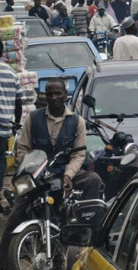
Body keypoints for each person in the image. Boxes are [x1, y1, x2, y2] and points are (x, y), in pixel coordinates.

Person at [0, 79, 103, 259]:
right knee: (16, 215)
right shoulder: (32, 118)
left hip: (64, 173)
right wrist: (31, 170)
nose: (54, 97)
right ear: (44, 96)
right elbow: (23, 149)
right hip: (37, 177)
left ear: (65, 95)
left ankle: (88, 235)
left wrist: (68, 175)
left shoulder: (77, 121)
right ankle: (5, 259)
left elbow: (78, 155)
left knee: (93, 179)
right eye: (49, 94)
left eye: (58, 93)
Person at [0, 41, 22, 212]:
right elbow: (18, 102)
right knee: (0, 162)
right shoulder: (11, 73)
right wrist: (16, 123)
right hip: (5, 127)